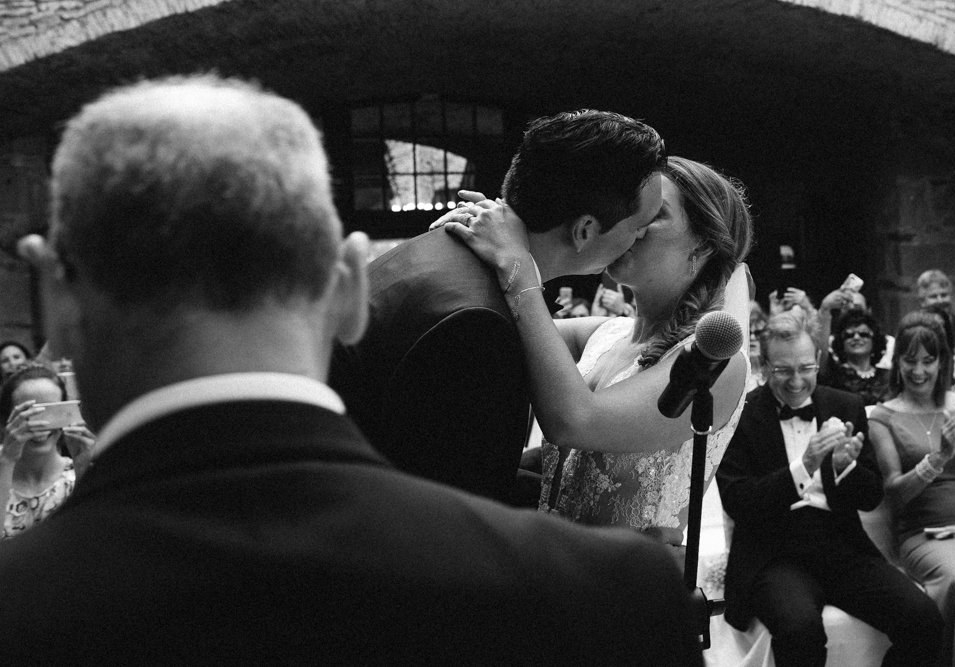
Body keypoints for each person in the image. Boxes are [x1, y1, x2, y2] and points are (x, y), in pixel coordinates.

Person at [1, 75, 704, 664]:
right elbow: (456, 497)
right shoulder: (611, 599)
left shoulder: (29, 608)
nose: (642, 237)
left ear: (55, 301)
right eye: (639, 223)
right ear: (344, 289)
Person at [329, 109, 665, 506]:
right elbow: (460, 505)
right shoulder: (479, 326)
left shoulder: (456, 250)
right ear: (585, 231)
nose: (643, 237)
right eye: (639, 226)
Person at [441, 156, 753, 549]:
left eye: (654, 214)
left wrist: (517, 262)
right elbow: (492, 332)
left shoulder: (714, 365)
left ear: (703, 244)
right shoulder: (607, 333)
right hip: (552, 562)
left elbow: (574, 420)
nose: (629, 224)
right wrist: (502, 235)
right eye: (630, 209)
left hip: (622, 578)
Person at [716, 307, 943, 667]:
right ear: (765, 366)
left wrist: (844, 467)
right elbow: (738, 502)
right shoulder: (739, 415)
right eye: (783, 370)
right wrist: (804, 466)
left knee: (924, 619)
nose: (796, 381)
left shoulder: (846, 405)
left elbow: (871, 497)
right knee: (800, 631)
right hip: (773, 553)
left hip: (841, 546)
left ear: (819, 359)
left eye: (805, 368)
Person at [868, 311, 955, 666]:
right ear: (897, 363)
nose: (919, 371)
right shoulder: (882, 417)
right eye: (910, 360)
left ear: (942, 362)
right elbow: (895, 493)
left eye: (928, 360)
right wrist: (938, 458)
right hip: (924, 534)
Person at [0, 364, 93, 539]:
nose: (42, 426)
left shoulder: (75, 476)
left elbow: (92, 541)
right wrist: (7, 460)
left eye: (52, 412)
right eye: (29, 415)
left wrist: (85, 472)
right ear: (6, 421)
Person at [818, 308, 890, 406]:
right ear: (841, 342)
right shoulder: (834, 375)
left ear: (875, 340)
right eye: (849, 335)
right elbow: (821, 351)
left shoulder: (888, 376)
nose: (856, 338)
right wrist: (825, 309)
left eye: (863, 334)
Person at [916, 269, 955, 354]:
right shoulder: (911, 331)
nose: (940, 301)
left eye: (944, 295)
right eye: (933, 296)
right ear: (922, 302)